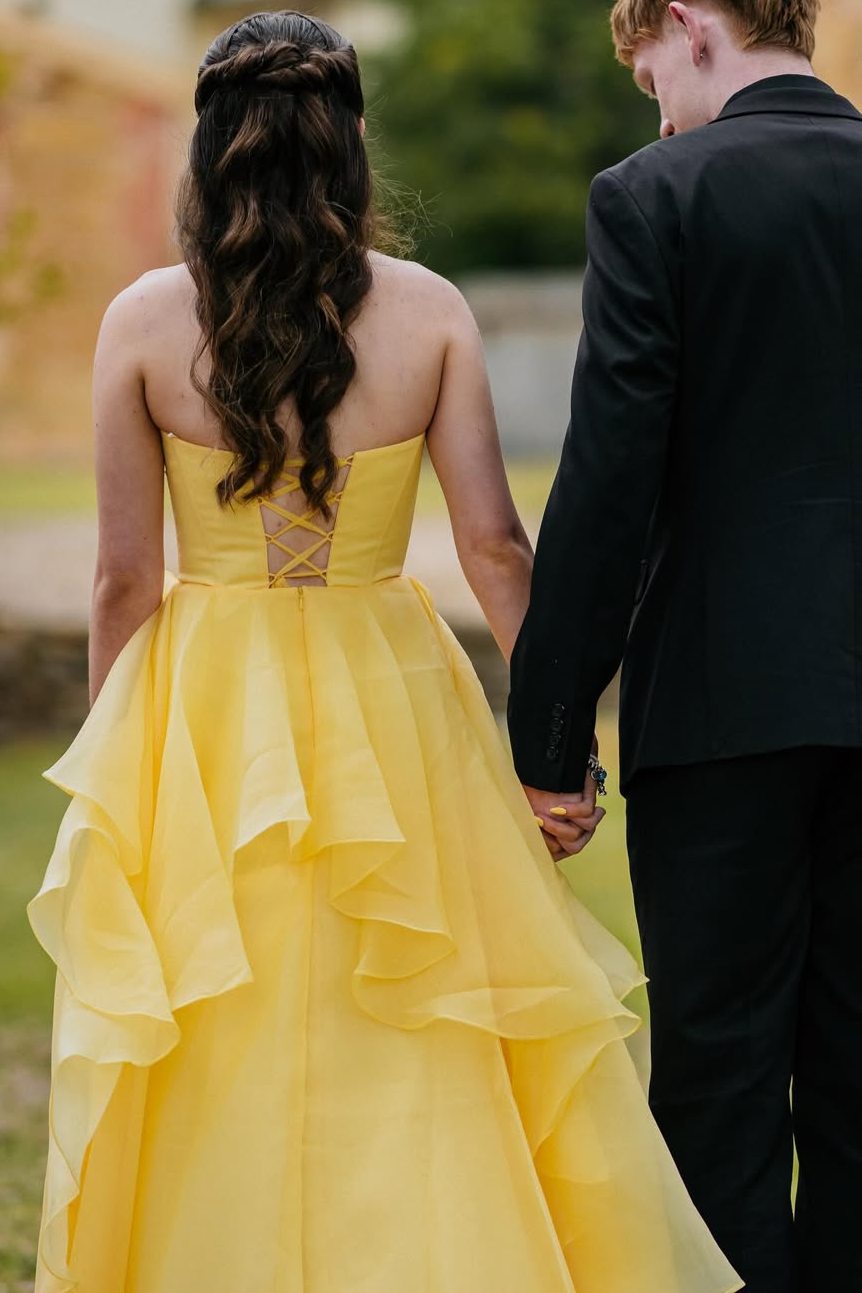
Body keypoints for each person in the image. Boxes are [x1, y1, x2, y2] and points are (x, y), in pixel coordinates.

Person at [26, 11, 742, 1293]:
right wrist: (557, 754)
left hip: (205, 714)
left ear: (209, 152)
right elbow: (496, 551)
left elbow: (124, 577)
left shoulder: (141, 322)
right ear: (351, 146)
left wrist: (116, 765)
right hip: (390, 696)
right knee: (415, 1010)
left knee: (218, 1020)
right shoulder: (427, 314)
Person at [508, 0, 862, 1290]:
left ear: (686, 22)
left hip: (721, 711)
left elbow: (608, 485)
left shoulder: (654, 195)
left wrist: (550, 735)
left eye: (647, 65)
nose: (651, 98)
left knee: (716, 1083)